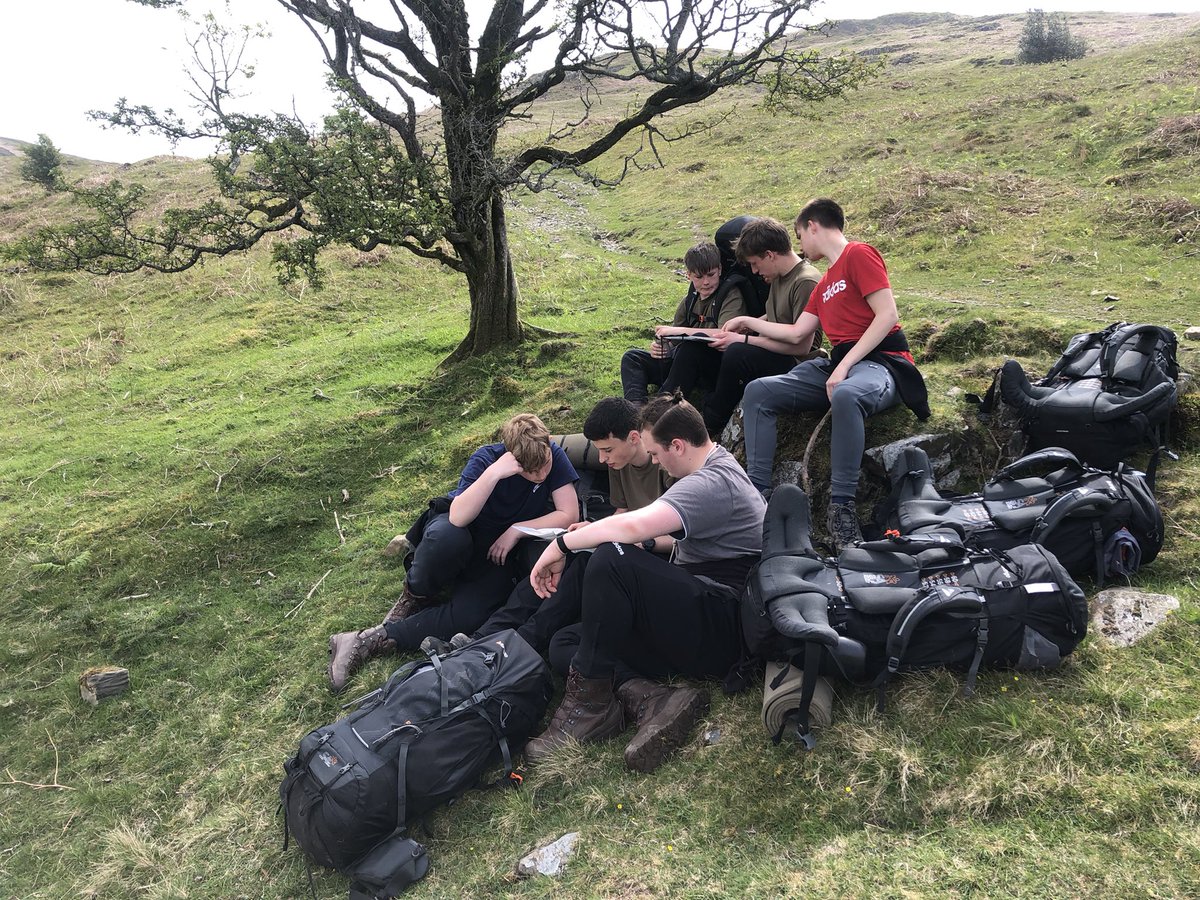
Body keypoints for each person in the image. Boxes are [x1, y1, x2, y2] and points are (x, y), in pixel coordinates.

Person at [522, 394, 766, 773]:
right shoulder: (716, 466)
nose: (655, 462)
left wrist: (561, 544)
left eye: (655, 454)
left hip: (723, 626)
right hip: (702, 612)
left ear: (678, 446)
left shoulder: (710, 482)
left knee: (609, 558)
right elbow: (655, 533)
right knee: (567, 642)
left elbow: (633, 526)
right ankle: (654, 700)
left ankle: (589, 709)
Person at [724, 198, 930, 549]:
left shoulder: (859, 255)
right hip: (839, 365)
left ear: (813, 226)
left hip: (881, 364)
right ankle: (756, 497)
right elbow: (795, 335)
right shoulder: (824, 284)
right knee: (759, 391)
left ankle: (841, 509)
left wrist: (847, 366)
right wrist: (746, 323)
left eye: (800, 235)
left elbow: (886, 314)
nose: (800, 244)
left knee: (848, 393)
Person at [327, 414, 579, 692]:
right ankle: (415, 593)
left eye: (544, 466)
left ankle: (368, 640)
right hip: (461, 530)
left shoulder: (552, 454)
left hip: (496, 550)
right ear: (511, 457)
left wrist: (517, 529)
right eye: (530, 472)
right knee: (447, 537)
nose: (541, 475)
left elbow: (568, 513)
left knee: (471, 616)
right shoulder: (486, 459)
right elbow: (458, 516)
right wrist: (494, 473)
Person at [436, 397, 674, 659]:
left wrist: (642, 540)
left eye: (607, 450)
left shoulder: (666, 465)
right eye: (600, 451)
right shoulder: (618, 463)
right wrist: (594, 527)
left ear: (633, 438)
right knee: (558, 559)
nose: (603, 459)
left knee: (582, 567)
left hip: (651, 554)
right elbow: (622, 512)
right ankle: (482, 638)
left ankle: (514, 646)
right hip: (626, 542)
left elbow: (678, 535)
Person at [664, 217, 824, 439]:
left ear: (770, 255)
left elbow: (802, 345)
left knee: (737, 352)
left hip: (796, 364)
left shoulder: (806, 281)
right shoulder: (779, 277)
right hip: (773, 351)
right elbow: (779, 314)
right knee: (695, 348)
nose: (754, 271)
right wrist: (746, 325)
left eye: (755, 264)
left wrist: (746, 334)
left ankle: (710, 423)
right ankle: (662, 411)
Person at [620, 241, 748, 404]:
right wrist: (662, 348)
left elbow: (726, 334)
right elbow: (673, 340)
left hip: (715, 366)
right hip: (683, 364)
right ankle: (634, 407)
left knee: (690, 349)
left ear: (720, 270)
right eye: (699, 277)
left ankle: (660, 408)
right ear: (689, 275)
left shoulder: (731, 295)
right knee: (632, 358)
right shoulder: (690, 299)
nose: (706, 282)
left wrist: (679, 332)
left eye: (711, 274)